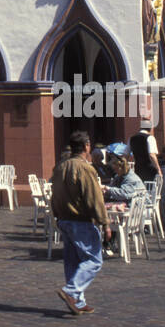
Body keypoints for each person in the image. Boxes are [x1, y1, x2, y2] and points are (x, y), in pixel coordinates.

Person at [50, 131, 111, 315]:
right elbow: (94, 198)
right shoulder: (85, 168)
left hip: (64, 219)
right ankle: (72, 291)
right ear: (86, 146)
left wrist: (57, 216)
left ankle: (77, 300)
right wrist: (105, 222)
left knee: (73, 261)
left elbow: (55, 195)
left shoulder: (60, 167)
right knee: (93, 259)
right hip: (80, 220)